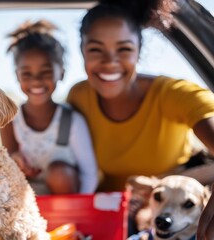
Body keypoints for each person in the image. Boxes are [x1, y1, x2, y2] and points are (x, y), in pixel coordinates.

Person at [67, 0, 214, 235]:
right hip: (107, 213)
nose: (109, 62)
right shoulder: (79, 95)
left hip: (169, 213)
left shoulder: (175, 94)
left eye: (124, 49)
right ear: (82, 50)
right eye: (95, 49)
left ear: (138, 50)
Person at [0, 20, 99, 195]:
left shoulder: (72, 121)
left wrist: (82, 207)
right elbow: (8, 167)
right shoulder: (11, 121)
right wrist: (16, 161)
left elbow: (89, 174)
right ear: (17, 75)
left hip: (67, 200)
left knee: (58, 172)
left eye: (45, 72)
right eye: (27, 73)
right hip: (31, 199)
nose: (36, 80)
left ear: (61, 72)